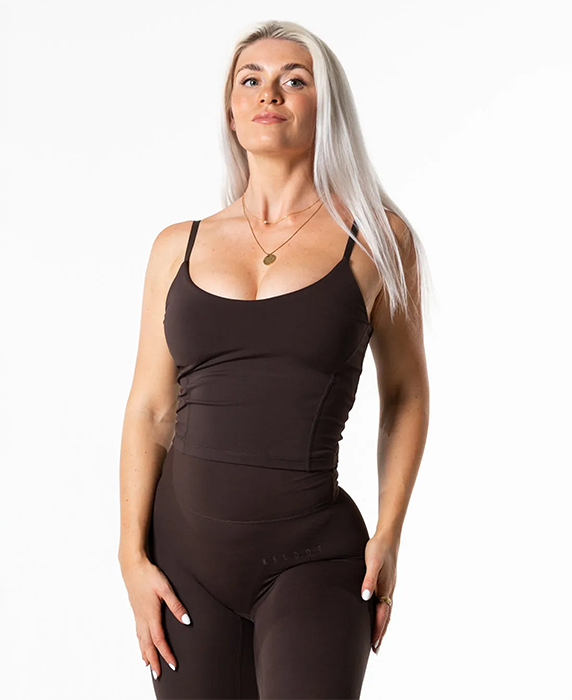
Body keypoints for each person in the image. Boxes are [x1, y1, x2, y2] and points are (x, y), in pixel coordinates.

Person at [118, 19, 430, 699]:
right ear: (231, 112)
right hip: (183, 567)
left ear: (326, 108)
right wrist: (131, 556)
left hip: (314, 559)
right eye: (251, 80)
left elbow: (405, 394)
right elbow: (149, 410)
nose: (271, 93)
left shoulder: (377, 240)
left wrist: (389, 534)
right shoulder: (177, 246)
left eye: (295, 79)